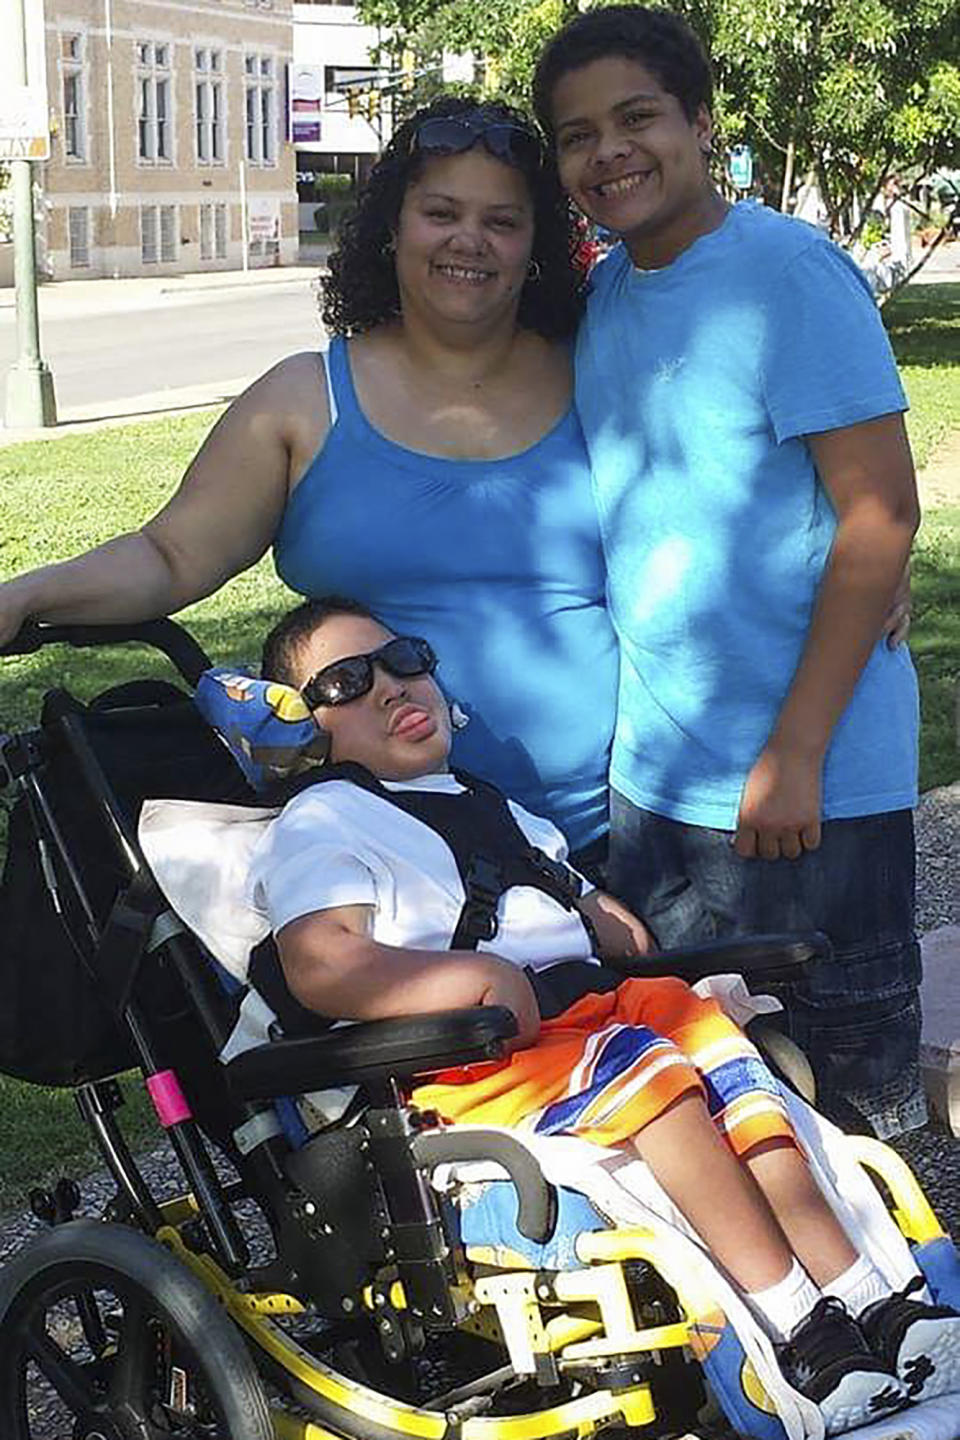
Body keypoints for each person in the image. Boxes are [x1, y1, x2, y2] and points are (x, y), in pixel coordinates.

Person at [241, 594, 960, 1437]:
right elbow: (323, 966)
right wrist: (465, 975)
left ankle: (872, 1297)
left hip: (578, 1019)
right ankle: (797, 1325)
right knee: (645, 1064)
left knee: (724, 1058)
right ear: (302, 728)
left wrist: (619, 930)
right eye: (347, 680)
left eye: (404, 659)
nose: (391, 685)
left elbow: (600, 918)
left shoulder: (486, 802)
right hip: (466, 1053)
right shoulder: (323, 819)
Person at [0, 97, 615, 869]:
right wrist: (25, 595)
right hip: (378, 870)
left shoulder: (596, 377)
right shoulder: (303, 399)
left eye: (502, 221)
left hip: (607, 845)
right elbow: (171, 554)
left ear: (536, 247)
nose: (470, 240)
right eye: (441, 212)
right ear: (393, 228)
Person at [531, 5, 925, 1140]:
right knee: (706, 1097)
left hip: (807, 787)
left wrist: (793, 756)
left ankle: (910, 1315)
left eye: (637, 117)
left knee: (850, 1113)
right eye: (577, 133)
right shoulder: (608, 291)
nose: (609, 152)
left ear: (702, 122)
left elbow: (880, 510)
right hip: (655, 783)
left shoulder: (787, 276)